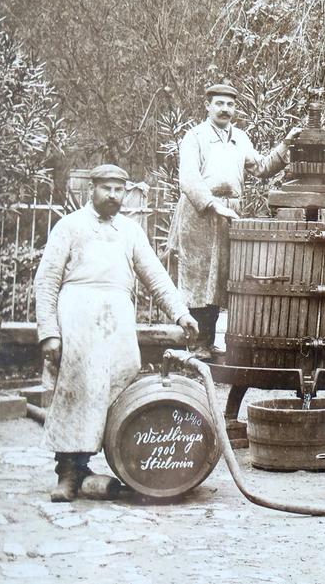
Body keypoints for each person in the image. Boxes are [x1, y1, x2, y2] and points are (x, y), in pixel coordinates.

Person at [35, 165, 199, 501]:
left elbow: (155, 276)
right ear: (91, 190)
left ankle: (102, 460)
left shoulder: (130, 231)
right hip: (77, 316)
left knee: (123, 375)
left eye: (119, 190)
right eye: (106, 188)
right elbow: (47, 280)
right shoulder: (70, 226)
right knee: (78, 386)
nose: (113, 195)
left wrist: (181, 313)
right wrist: (50, 332)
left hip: (117, 320)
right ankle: (67, 471)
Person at [172, 82, 296, 358]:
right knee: (198, 276)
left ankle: (208, 341)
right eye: (219, 103)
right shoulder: (195, 137)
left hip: (230, 212)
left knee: (221, 278)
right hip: (199, 213)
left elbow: (262, 167)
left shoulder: (240, 138)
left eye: (229, 104)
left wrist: (286, 143)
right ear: (208, 105)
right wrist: (213, 205)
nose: (225, 109)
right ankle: (195, 344)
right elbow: (188, 178)